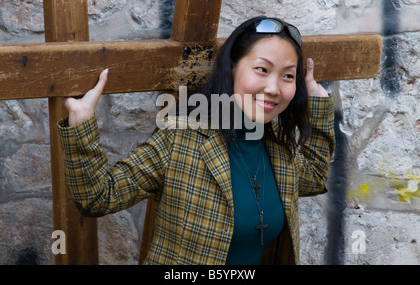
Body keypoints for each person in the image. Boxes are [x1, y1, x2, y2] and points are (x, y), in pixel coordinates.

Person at [58, 16, 335, 265]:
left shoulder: (278, 150)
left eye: (287, 76)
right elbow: (98, 197)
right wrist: (82, 123)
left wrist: (319, 104)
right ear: (231, 69)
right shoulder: (181, 138)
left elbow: (313, 178)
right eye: (262, 69)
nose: (274, 88)